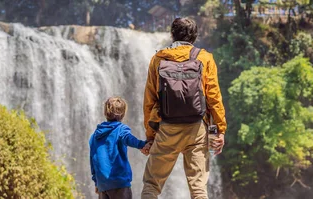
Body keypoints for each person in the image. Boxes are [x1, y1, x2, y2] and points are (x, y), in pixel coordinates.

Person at [141, 18, 227, 199]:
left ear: (172, 34)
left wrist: (150, 136)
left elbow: (150, 100)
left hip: (166, 128)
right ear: (194, 36)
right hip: (197, 128)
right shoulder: (205, 58)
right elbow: (214, 98)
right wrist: (219, 130)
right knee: (198, 189)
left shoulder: (158, 59)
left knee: (151, 185)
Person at [89, 97, 152, 199]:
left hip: (102, 184)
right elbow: (129, 139)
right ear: (123, 114)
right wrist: (143, 144)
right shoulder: (121, 129)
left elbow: (93, 160)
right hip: (119, 183)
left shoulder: (95, 135)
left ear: (105, 112)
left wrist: (96, 182)